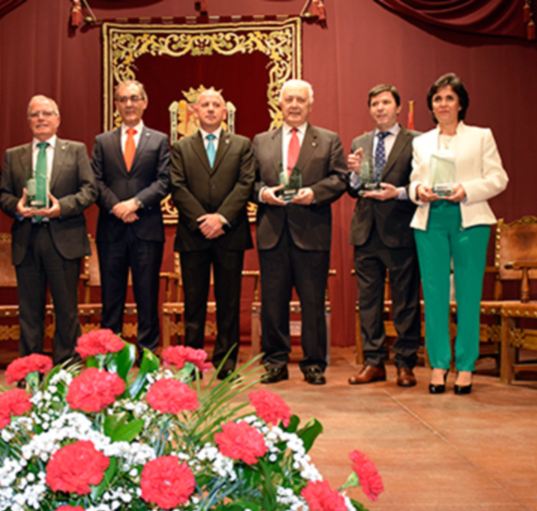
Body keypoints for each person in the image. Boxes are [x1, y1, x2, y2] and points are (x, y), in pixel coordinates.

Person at [409, 73, 508, 394]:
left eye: (449, 98)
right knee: (435, 296)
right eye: (437, 99)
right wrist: (418, 190)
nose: (443, 104)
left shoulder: (481, 137)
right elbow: (413, 180)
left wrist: (467, 189)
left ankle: (465, 366)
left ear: (461, 103)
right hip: (430, 221)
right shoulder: (420, 142)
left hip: (469, 220)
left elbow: (498, 178)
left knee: (468, 295)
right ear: (431, 105)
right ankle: (438, 365)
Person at [252, 79, 349, 385]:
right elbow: (248, 182)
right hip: (272, 232)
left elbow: (340, 178)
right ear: (279, 104)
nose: (294, 105)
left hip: (312, 232)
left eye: (301, 100)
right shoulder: (260, 141)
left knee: (312, 302)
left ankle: (314, 363)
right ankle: (275, 362)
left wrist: (314, 192)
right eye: (289, 99)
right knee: (273, 302)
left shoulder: (329, 139)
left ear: (310, 104)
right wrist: (264, 194)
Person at [0, 95, 98, 365]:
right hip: (27, 240)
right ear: (28, 121)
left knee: (66, 310)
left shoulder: (75, 150)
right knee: (29, 312)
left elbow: (90, 190)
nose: (40, 118)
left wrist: (61, 207)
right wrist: (17, 207)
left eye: (46, 113)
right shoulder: (13, 155)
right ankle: (30, 370)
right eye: (34, 114)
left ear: (58, 119)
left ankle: (67, 369)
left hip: (63, 238)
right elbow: (3, 194)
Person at [169, 88, 255, 378]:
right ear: (194, 111)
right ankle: (192, 362)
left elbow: (245, 184)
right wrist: (202, 220)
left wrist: (220, 218)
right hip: (193, 234)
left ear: (224, 112)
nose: (209, 109)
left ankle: (226, 360)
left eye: (215, 105)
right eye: (204, 105)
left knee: (228, 301)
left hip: (229, 233)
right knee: (193, 302)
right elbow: (177, 187)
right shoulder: (181, 147)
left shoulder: (242, 145)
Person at [346, 84, 420, 387]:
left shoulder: (416, 141)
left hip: (401, 231)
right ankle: (373, 362)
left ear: (398, 107)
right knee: (369, 302)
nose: (380, 108)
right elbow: (354, 189)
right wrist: (352, 171)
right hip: (365, 232)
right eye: (374, 103)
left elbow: (422, 184)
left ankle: (405, 364)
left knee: (405, 302)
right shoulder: (360, 141)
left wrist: (399, 193)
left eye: (386, 103)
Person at [92, 80, 170, 358]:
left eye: (134, 98)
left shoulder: (159, 140)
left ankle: (148, 352)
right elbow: (96, 182)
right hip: (111, 229)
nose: (129, 104)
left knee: (147, 295)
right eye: (123, 99)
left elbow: (163, 181)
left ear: (144, 102)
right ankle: (109, 354)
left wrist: (135, 203)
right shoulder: (102, 141)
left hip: (146, 229)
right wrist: (117, 207)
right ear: (116, 105)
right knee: (111, 297)